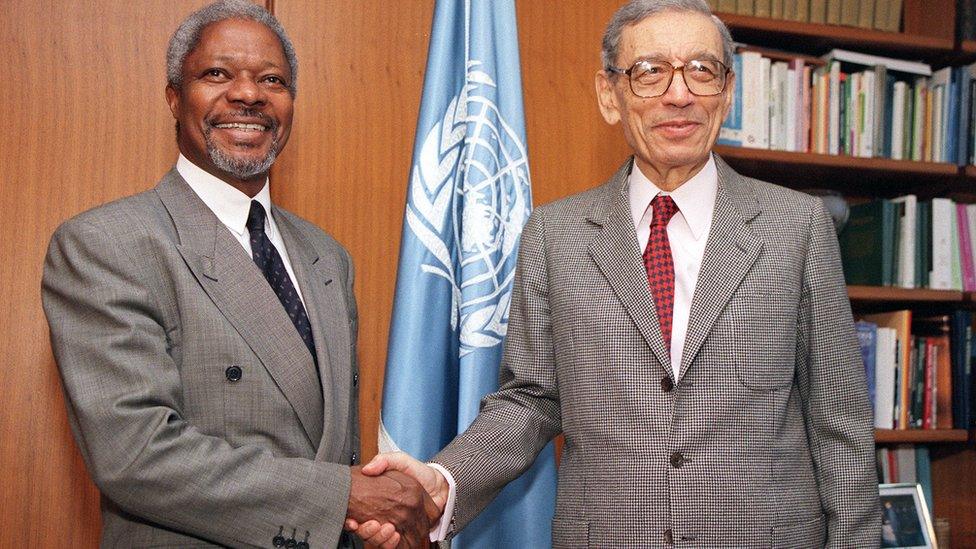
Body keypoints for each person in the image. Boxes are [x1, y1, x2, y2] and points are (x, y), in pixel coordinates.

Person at [352, 0, 881, 547]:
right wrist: (444, 480)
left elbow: (838, 420)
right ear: (610, 95)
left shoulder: (796, 226)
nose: (680, 95)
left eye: (702, 71)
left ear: (726, 93)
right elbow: (531, 400)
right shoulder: (555, 235)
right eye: (650, 72)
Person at [40, 1, 435, 547]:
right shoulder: (107, 245)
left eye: (271, 79)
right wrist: (342, 497)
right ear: (175, 97)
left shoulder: (327, 256)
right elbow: (134, 452)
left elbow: (326, 445)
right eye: (217, 74)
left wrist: (366, 520)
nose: (249, 94)